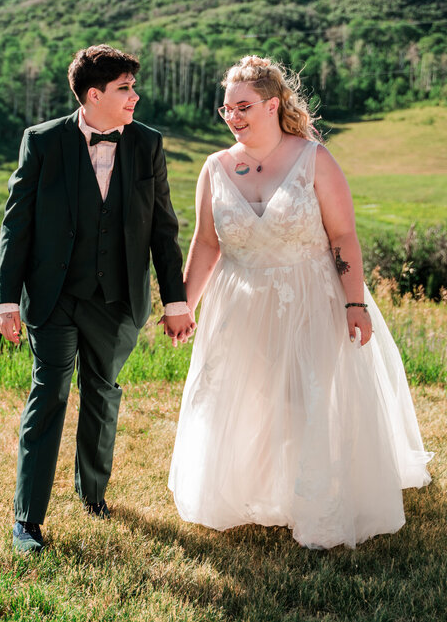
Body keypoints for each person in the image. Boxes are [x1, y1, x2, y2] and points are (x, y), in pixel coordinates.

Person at [167, 55, 432, 550]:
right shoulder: (215, 168)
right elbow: (206, 244)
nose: (233, 117)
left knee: (305, 399)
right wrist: (184, 305)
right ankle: (258, 492)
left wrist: (356, 305)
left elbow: (344, 236)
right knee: (253, 399)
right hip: (241, 303)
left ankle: (313, 503)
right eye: (226, 109)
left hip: (312, 296)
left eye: (243, 106)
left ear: (273, 104)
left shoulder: (314, 159)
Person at [0, 44, 196, 553]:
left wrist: (176, 301)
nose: (135, 96)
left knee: (103, 393)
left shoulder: (147, 144)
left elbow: (163, 227)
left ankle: (93, 493)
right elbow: (17, 224)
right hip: (53, 296)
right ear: (93, 94)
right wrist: (6, 299)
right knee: (50, 394)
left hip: (118, 297)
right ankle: (27, 520)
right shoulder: (41, 142)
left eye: (132, 86)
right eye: (125, 88)